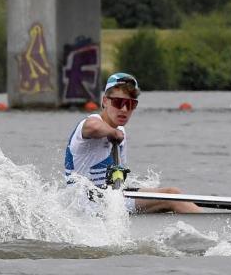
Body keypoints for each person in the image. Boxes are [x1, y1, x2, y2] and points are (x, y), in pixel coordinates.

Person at [64, 73, 200, 214]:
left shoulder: (121, 132)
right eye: (118, 102)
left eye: (130, 104)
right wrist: (112, 132)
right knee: (170, 197)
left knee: (172, 194)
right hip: (83, 208)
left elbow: (118, 183)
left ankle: (206, 224)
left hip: (108, 202)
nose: (124, 109)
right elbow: (93, 126)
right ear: (105, 101)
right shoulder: (88, 125)